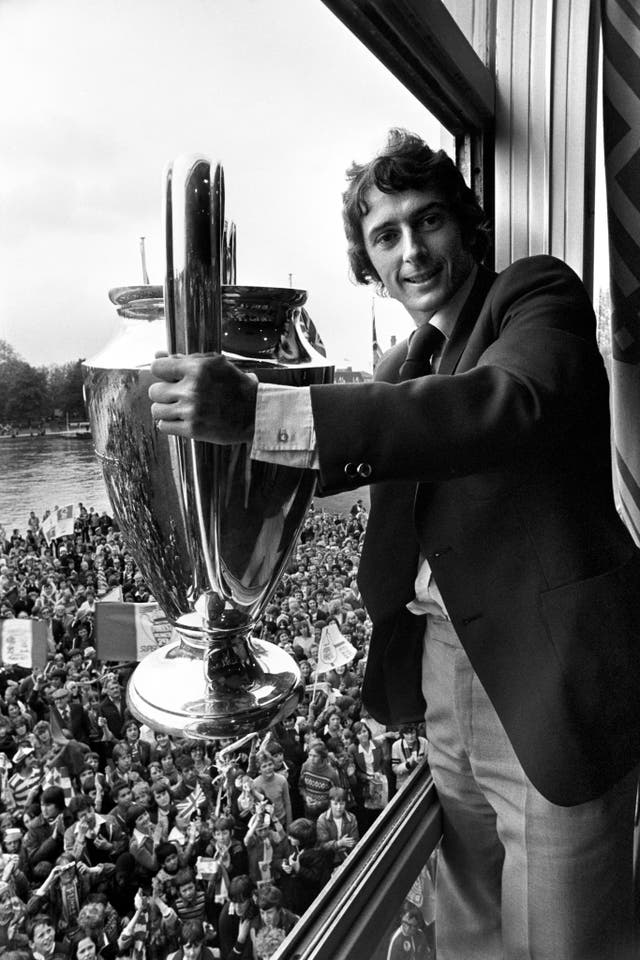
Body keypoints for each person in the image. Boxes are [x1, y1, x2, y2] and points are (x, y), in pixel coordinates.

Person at [147, 127, 640, 959]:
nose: (411, 250)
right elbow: (331, 463)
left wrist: (269, 411)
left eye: (428, 220)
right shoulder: (403, 363)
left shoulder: (536, 296)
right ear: (368, 266)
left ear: (469, 229)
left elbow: (508, 401)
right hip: (443, 679)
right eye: (385, 236)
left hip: (550, 680)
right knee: (472, 934)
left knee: (566, 943)